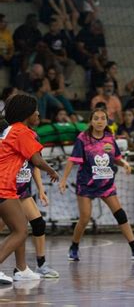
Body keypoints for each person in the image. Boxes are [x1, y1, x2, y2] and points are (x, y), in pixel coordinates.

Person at [59, 108, 134, 261]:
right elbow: (72, 160)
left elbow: (116, 158)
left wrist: (125, 163)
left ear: (107, 121)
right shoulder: (83, 138)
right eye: (96, 118)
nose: (99, 121)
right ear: (91, 121)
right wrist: (63, 180)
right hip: (87, 184)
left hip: (106, 184)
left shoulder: (109, 138)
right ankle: (74, 247)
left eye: (103, 118)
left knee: (120, 214)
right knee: (85, 219)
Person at [0, 94, 59, 284]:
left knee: (20, 227)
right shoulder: (22, 132)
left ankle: (22, 269)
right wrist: (51, 171)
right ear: (27, 113)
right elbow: (36, 159)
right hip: (3, 186)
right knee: (20, 232)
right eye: (35, 111)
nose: (39, 113)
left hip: (9, 187)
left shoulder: (9, 130)